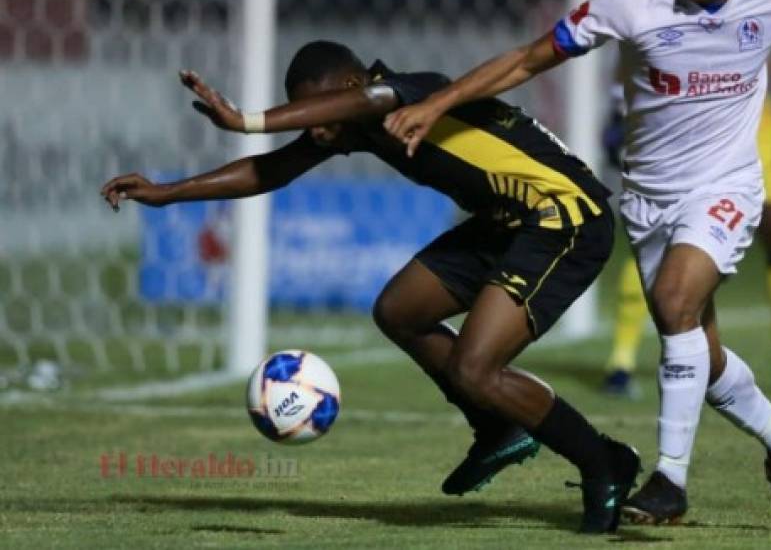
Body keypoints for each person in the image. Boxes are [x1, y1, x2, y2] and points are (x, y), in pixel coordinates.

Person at [382, 0, 771, 526]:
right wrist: (436, 104)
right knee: (699, 355)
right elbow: (526, 60)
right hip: (650, 196)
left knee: (677, 304)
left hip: (727, 185)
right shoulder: (635, 0)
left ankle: (669, 483)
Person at [101, 40, 640, 534]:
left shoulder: (412, 88)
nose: (316, 128)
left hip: (563, 216)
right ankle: (496, 428)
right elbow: (271, 171)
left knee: (475, 368)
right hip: (504, 223)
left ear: (354, 89)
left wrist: (247, 119)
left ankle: (604, 464)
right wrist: (167, 192)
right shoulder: (352, 125)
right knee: (399, 310)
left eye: (322, 110)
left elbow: (346, 111)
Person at [603, 0, 771, 397]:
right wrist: (617, 106)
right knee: (657, 236)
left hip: (751, 127)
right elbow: (632, 36)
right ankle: (621, 361)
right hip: (677, 128)